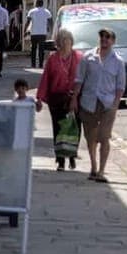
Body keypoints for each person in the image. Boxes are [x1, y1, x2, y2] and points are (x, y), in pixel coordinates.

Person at [70, 27, 125, 183]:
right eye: (102, 37)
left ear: (113, 41)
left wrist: (115, 104)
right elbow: (79, 80)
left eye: (108, 38)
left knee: (104, 137)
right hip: (89, 102)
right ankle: (93, 166)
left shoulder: (118, 62)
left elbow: (120, 86)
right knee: (91, 138)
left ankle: (101, 171)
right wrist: (74, 99)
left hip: (108, 104)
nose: (104, 40)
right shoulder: (88, 58)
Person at [37, 29, 82, 171]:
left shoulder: (79, 58)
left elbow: (84, 79)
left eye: (67, 40)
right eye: (62, 40)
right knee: (59, 128)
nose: (65, 43)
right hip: (56, 98)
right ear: (58, 43)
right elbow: (46, 79)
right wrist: (39, 98)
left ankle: (72, 156)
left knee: (74, 128)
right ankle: (60, 159)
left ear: (71, 41)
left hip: (74, 97)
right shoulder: (52, 59)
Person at [26, 0, 53, 68]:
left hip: (34, 33)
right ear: (42, 4)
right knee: (41, 49)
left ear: (36, 3)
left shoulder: (31, 11)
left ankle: (33, 64)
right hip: (42, 33)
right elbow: (50, 21)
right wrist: (51, 30)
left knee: (33, 49)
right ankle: (41, 64)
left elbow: (28, 22)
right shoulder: (47, 12)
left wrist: (25, 30)